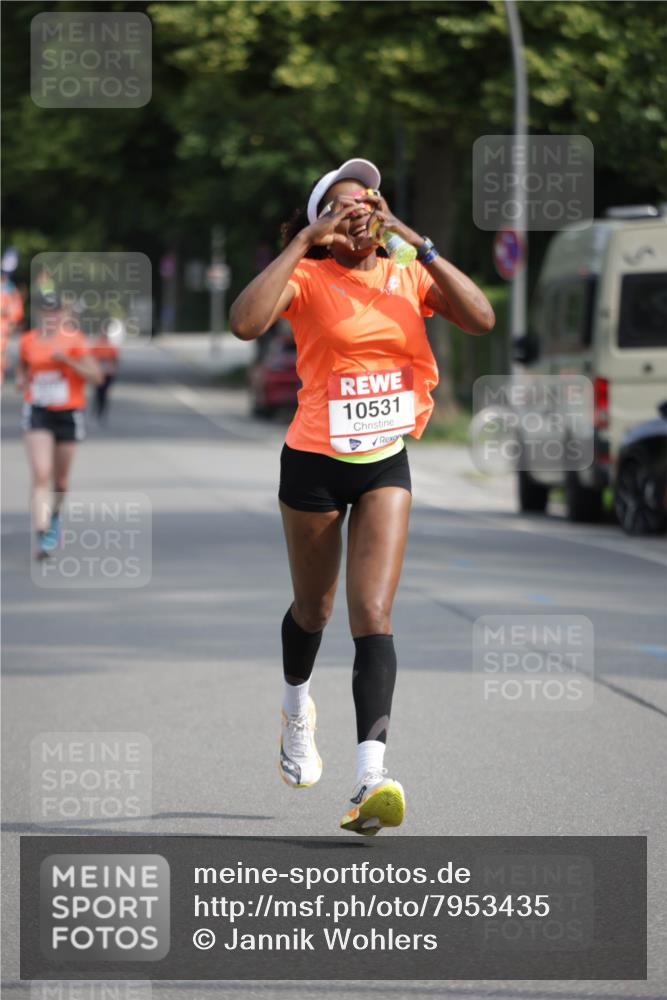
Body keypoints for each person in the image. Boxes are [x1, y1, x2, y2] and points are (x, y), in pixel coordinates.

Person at [230, 157, 495, 835]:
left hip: (383, 460)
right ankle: (295, 709)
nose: (362, 209)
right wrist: (302, 242)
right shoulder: (307, 275)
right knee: (314, 609)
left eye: (371, 199)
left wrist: (413, 236)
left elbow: (481, 317)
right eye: (346, 203)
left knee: (371, 613)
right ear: (322, 215)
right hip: (313, 461)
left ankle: (370, 777)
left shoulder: (408, 271)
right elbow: (244, 323)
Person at [16, 292, 103, 559]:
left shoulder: (75, 341)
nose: (51, 317)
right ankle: (42, 534)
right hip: (38, 410)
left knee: (61, 481)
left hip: (68, 413)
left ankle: (54, 517)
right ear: (40, 314)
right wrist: (21, 380)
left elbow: (97, 377)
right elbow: (22, 368)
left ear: (63, 315)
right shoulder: (28, 340)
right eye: (47, 312)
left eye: (56, 312)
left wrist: (68, 361)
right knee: (41, 472)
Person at [89, 325, 120, 422]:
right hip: (98, 372)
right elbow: (91, 358)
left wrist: (112, 369)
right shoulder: (96, 345)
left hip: (108, 373)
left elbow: (115, 359)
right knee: (98, 392)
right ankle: (96, 408)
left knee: (104, 393)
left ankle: (102, 411)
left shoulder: (111, 346)